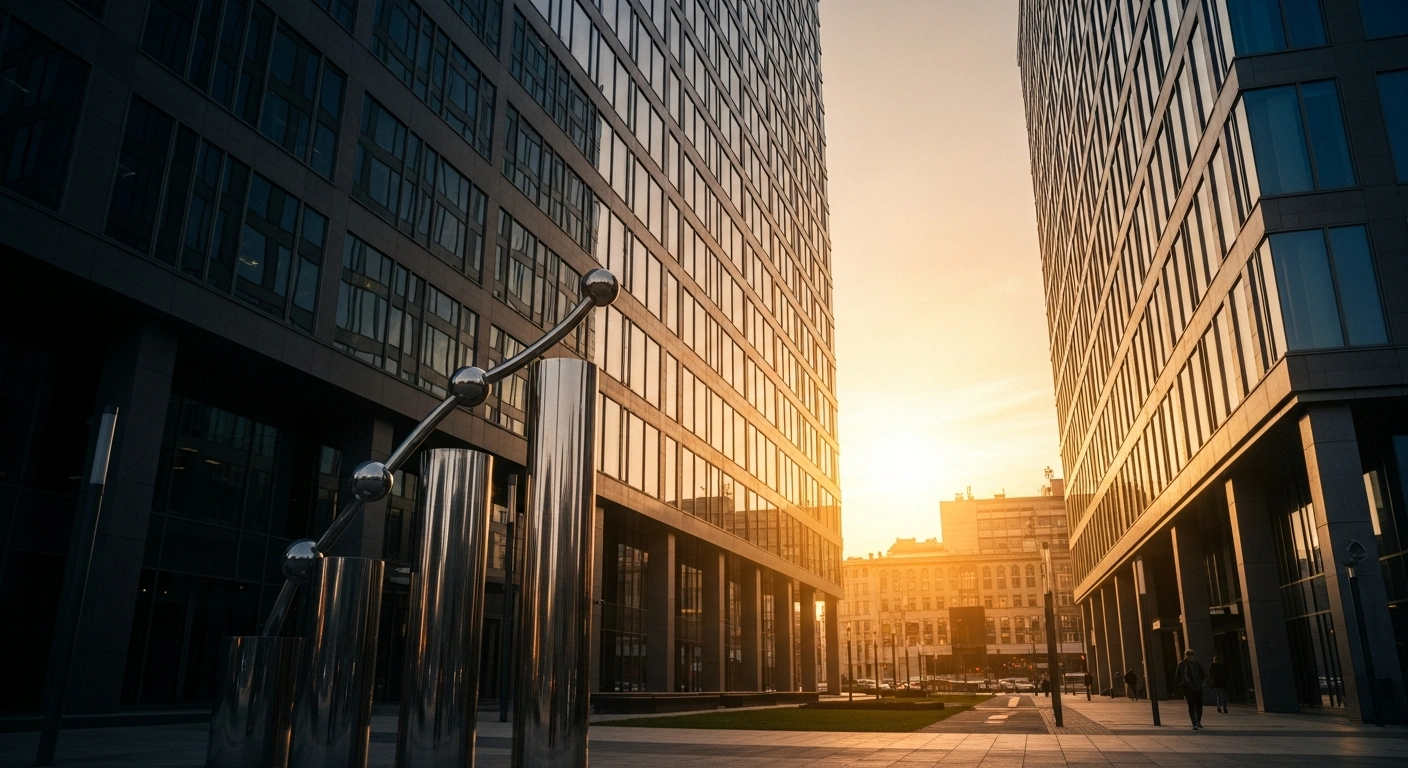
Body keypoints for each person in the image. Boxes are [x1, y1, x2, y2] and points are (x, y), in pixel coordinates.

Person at [1176, 649, 1208, 730]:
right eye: (1188, 655)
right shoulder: (1183, 664)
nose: (1190, 657)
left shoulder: (1195, 664)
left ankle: (1198, 722)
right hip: (1189, 688)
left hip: (1196, 687)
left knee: (1198, 705)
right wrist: (1179, 685)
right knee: (1192, 705)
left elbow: (1202, 674)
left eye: (1191, 656)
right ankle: (1195, 723)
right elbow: (1178, 675)